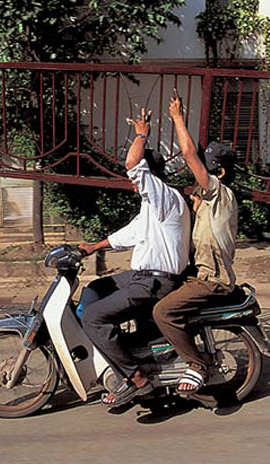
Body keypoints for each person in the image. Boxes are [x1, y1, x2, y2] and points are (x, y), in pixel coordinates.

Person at [78, 108, 191, 407]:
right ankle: (121, 352)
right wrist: (93, 247)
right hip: (141, 278)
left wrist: (142, 135)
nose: (132, 182)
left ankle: (136, 377)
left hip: (153, 283)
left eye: (138, 178)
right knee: (95, 289)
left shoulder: (164, 195)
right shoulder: (153, 207)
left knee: (93, 317)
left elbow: (132, 164)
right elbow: (130, 233)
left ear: (149, 175)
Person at [153, 94, 238, 394]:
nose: (198, 173)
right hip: (198, 274)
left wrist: (177, 118)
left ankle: (197, 364)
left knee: (162, 312)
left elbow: (189, 155)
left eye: (205, 168)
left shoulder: (221, 193)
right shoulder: (205, 201)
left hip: (212, 280)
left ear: (220, 173)